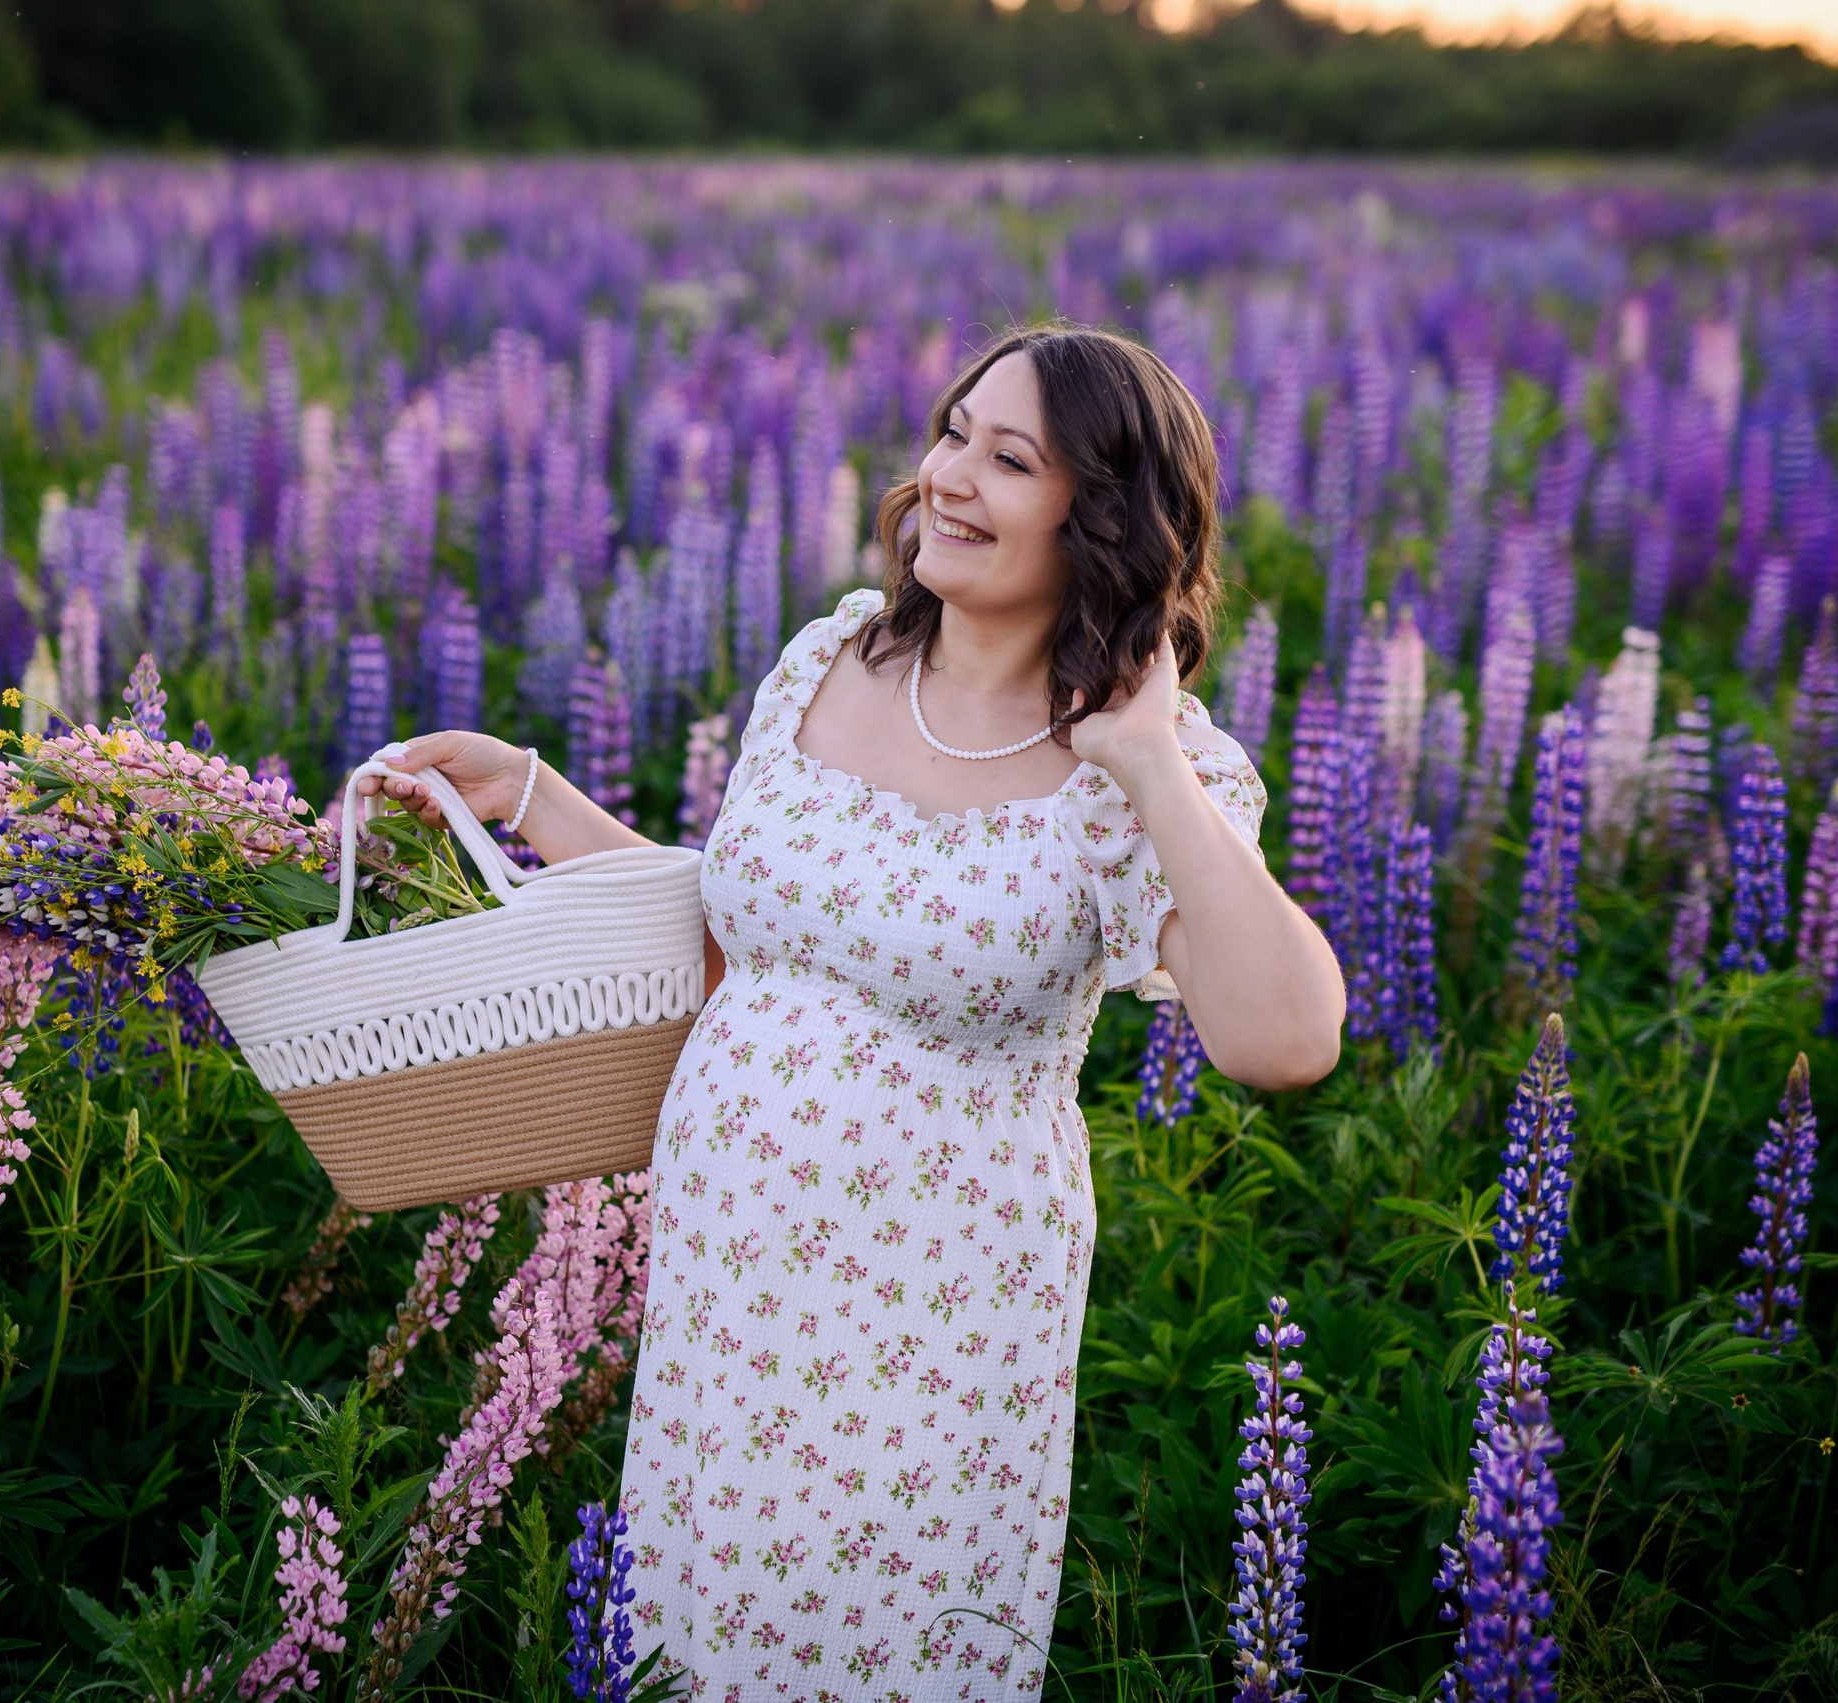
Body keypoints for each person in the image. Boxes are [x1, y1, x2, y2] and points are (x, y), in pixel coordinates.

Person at [362, 322, 1343, 1694]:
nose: (949, 476)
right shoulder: (832, 658)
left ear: (1103, 519)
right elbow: (752, 934)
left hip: (933, 1330)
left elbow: (1287, 1039)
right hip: (727, 1299)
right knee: (695, 1652)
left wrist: (1147, 761)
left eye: (1010, 459)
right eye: (952, 433)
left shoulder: (1143, 775)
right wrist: (527, 797)